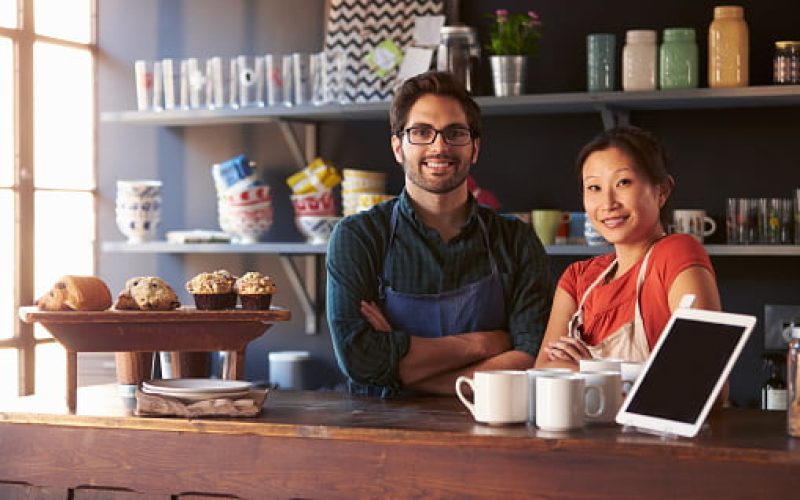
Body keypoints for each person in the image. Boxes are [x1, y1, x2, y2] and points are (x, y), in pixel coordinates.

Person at [326, 71, 552, 397]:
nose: (439, 146)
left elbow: (529, 360)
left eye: (455, 133)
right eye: (421, 132)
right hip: (380, 437)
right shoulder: (359, 237)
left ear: (474, 148)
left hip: (491, 435)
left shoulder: (516, 240)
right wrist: (484, 343)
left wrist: (400, 372)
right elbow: (361, 360)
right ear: (397, 147)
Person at [535, 126, 721, 369]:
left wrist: (589, 370)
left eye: (623, 183)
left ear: (662, 191)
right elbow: (540, 374)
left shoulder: (675, 254)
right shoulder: (578, 278)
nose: (608, 203)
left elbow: (703, 381)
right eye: (594, 188)